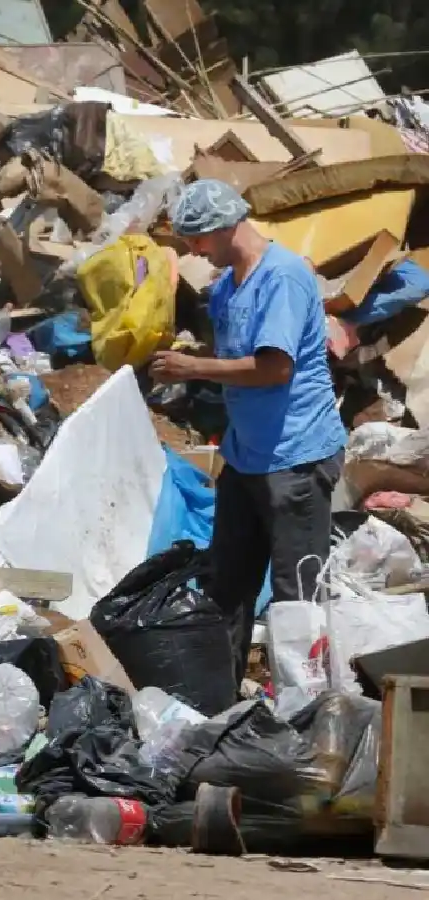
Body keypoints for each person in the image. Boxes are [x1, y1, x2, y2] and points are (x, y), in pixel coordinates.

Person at [149, 178, 346, 691]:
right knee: (228, 581)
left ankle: (303, 711)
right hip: (247, 456)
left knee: (295, 592)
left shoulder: (281, 278)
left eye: (197, 239)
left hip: (296, 457)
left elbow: (274, 368)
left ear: (224, 227)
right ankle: (217, 697)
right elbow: (230, 354)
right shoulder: (229, 285)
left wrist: (195, 368)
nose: (194, 250)